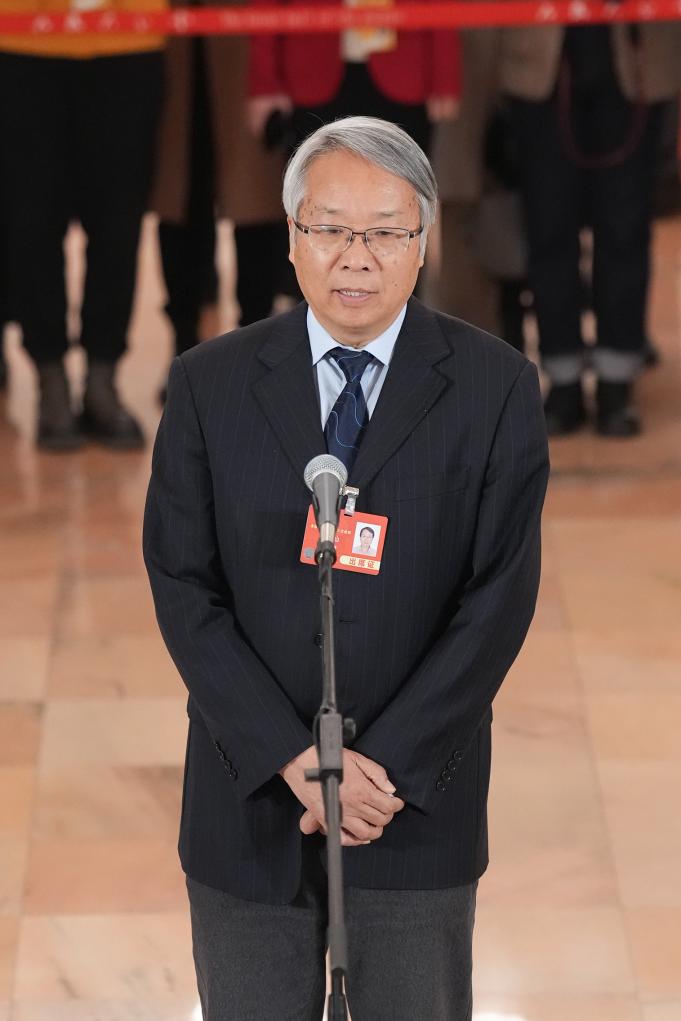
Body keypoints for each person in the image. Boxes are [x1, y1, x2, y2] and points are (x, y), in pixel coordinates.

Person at [143, 116, 549, 1021]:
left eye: (385, 232)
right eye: (329, 228)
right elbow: (182, 583)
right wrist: (292, 756)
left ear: (422, 242)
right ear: (291, 239)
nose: (355, 257)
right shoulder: (209, 384)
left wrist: (380, 774)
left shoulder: (494, 388)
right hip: (250, 800)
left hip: (412, 808)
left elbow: (497, 599)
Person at [499, 22, 681, 436]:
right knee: (548, 226)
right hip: (538, 62)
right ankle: (562, 378)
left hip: (636, 59)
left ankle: (617, 377)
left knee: (624, 227)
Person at [0, 0, 165, 450]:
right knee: (32, 220)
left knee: (118, 223)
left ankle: (102, 376)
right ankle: (49, 374)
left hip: (127, 39)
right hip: (24, 39)